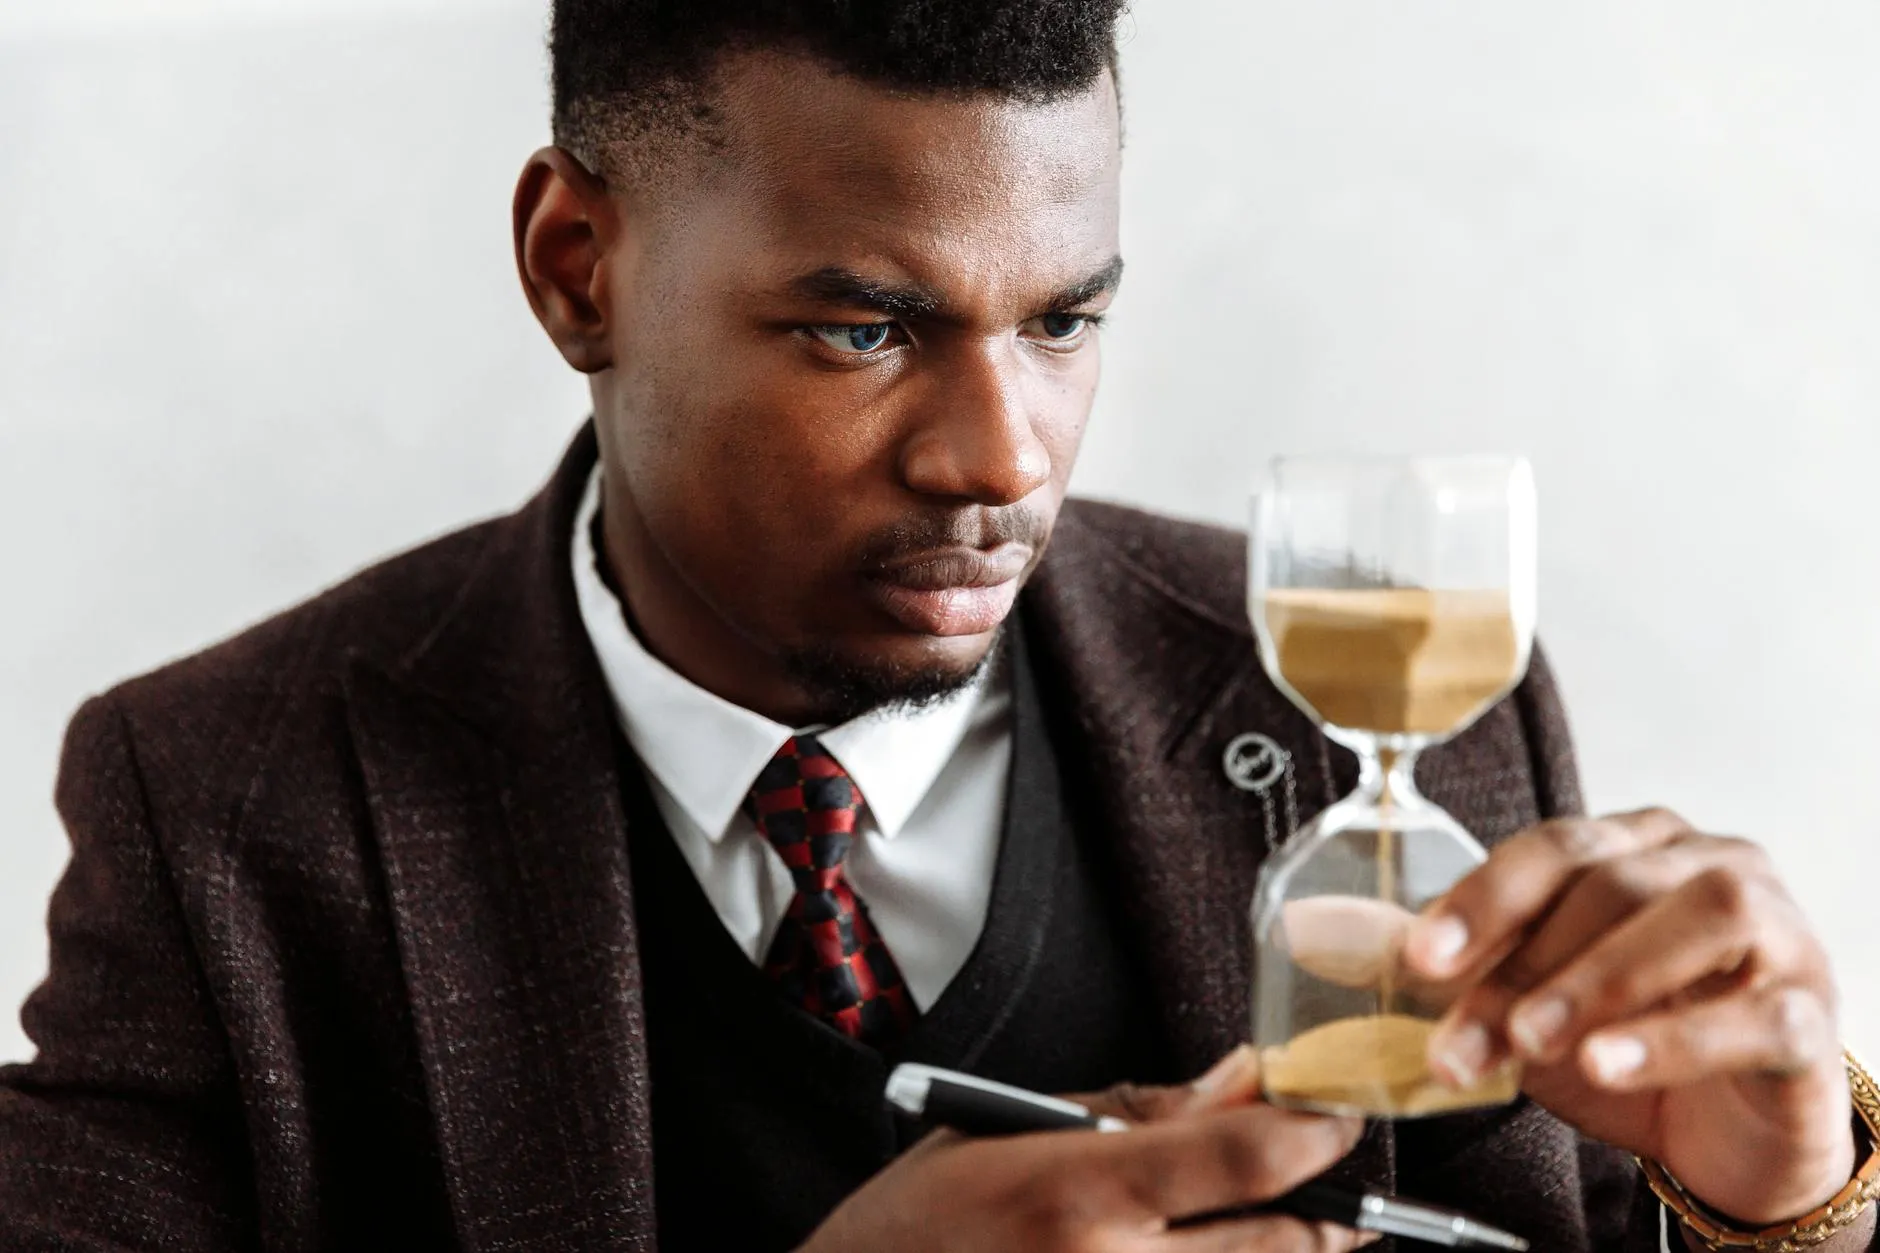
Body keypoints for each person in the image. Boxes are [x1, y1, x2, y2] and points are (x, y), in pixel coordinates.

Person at [2, 2, 1871, 1250]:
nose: (1004, 458)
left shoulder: (1382, 693)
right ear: (582, 268)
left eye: (1064, 322)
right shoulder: (222, 803)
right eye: (864, 328)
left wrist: (1786, 1204)